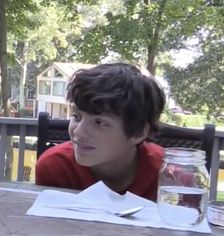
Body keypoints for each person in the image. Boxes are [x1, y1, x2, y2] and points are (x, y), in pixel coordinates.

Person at [36, 62, 166, 201]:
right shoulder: (56, 167)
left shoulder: (167, 173)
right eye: (76, 116)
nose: (78, 132)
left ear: (138, 133)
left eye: (99, 122)